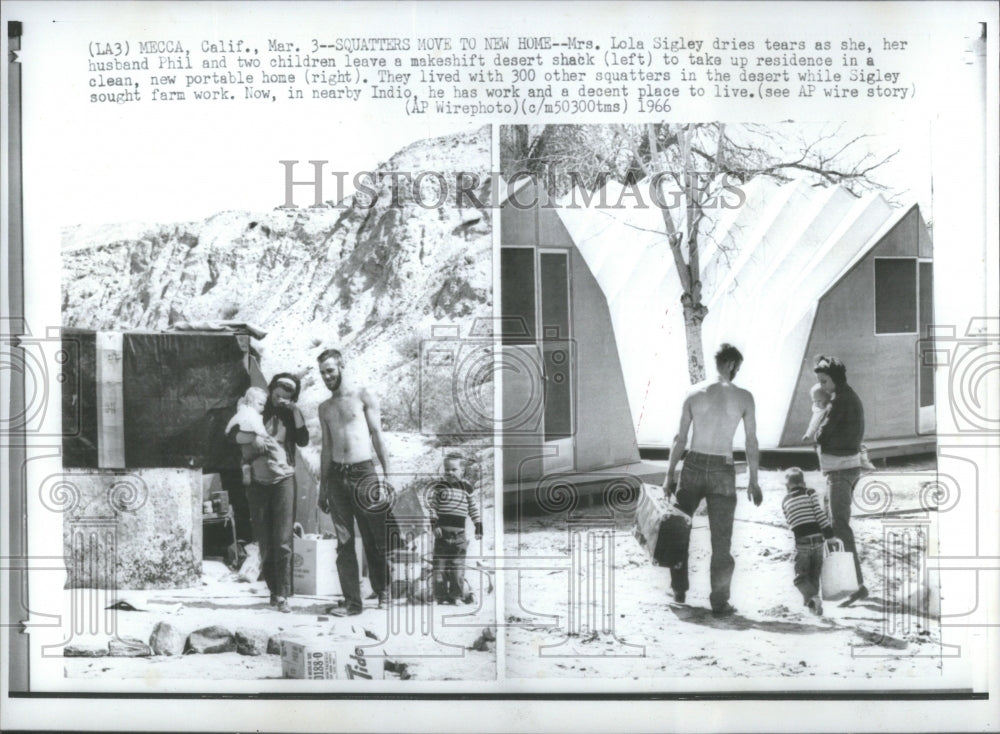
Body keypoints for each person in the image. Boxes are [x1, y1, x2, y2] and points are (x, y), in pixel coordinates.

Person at [662, 343, 762, 617]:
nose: (737, 372)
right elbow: (751, 441)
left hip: (693, 464)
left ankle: (679, 588)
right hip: (722, 468)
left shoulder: (693, 393)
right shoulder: (744, 397)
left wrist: (669, 474)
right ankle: (719, 601)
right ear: (731, 364)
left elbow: (680, 439)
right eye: (738, 368)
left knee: (680, 530)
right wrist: (754, 479)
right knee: (721, 539)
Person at [316, 348, 392, 617]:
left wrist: (387, 476)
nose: (326, 376)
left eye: (330, 370)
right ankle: (352, 601)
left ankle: (383, 591)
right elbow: (326, 448)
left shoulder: (363, 395)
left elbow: (377, 436)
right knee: (344, 540)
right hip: (337, 476)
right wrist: (323, 486)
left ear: (341, 366)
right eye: (322, 372)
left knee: (374, 535)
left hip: (364, 472)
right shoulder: (324, 407)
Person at [226, 375, 309, 613]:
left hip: (283, 479)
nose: (281, 398)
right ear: (271, 389)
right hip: (257, 481)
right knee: (265, 539)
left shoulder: (289, 414)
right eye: (278, 392)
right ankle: (274, 590)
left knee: (283, 539)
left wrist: (294, 411)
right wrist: (253, 438)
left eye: (288, 395)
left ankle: (283, 594)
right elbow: (233, 435)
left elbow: (303, 440)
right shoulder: (256, 408)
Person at [813, 355, 869, 606]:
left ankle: (855, 584)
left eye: (824, 381)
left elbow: (821, 436)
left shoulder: (838, 401)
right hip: (845, 467)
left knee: (839, 525)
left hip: (840, 470)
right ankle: (849, 582)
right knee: (835, 523)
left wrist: (818, 417)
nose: (822, 387)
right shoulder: (848, 396)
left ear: (834, 379)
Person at [780, 467, 837, 616]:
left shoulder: (785, 501)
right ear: (803, 483)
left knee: (800, 579)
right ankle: (814, 608)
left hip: (802, 541)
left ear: (787, 486)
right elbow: (819, 514)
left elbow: (790, 521)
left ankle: (813, 599)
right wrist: (830, 535)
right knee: (814, 574)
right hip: (818, 539)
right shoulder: (810, 492)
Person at [427, 453, 483, 605]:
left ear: (462, 471)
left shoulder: (467, 488)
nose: (450, 472)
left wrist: (478, 525)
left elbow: (473, 508)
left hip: (459, 534)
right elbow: (433, 508)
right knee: (440, 566)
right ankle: (439, 596)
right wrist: (435, 525)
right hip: (442, 533)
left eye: (454, 469)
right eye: (447, 470)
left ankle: (456, 596)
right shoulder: (439, 487)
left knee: (458, 567)